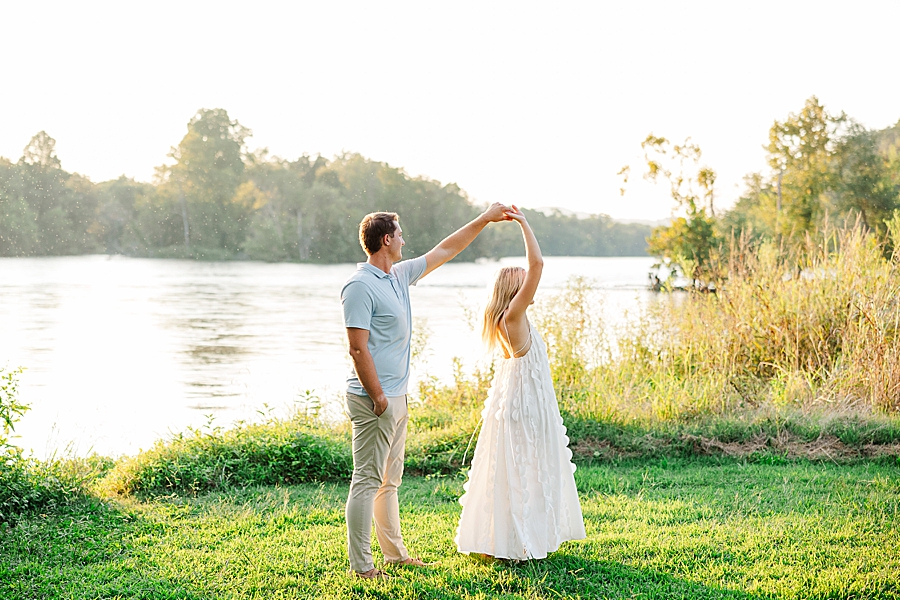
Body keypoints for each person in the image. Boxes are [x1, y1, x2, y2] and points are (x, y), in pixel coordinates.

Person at [341, 203, 512, 579]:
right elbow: (357, 348)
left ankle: (395, 556)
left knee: (389, 482)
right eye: (400, 235)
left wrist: (485, 218)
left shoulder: (398, 276)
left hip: (396, 396)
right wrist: (379, 397)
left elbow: (446, 249)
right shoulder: (359, 286)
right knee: (367, 480)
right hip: (373, 398)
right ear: (387, 240)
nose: (405, 241)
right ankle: (362, 567)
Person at [455, 205, 586, 560]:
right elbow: (538, 265)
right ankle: (521, 541)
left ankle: (514, 539)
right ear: (516, 290)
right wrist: (524, 223)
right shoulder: (514, 315)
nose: (530, 283)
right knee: (526, 468)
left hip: (519, 398)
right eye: (523, 281)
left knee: (516, 470)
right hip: (525, 403)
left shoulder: (508, 317)